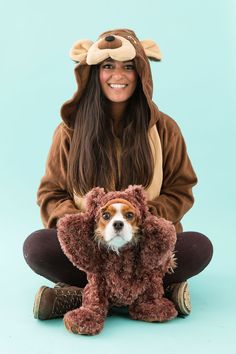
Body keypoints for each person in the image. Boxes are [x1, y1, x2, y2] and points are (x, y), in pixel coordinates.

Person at [23, 28, 213, 320]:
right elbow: (50, 194)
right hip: (93, 248)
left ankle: (80, 297)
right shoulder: (68, 132)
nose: (118, 75)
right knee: (37, 247)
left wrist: (143, 220)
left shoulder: (165, 129)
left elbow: (181, 188)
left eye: (128, 67)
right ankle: (152, 296)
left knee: (198, 247)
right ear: (93, 73)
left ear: (141, 74)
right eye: (108, 66)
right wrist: (90, 225)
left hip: (144, 247)